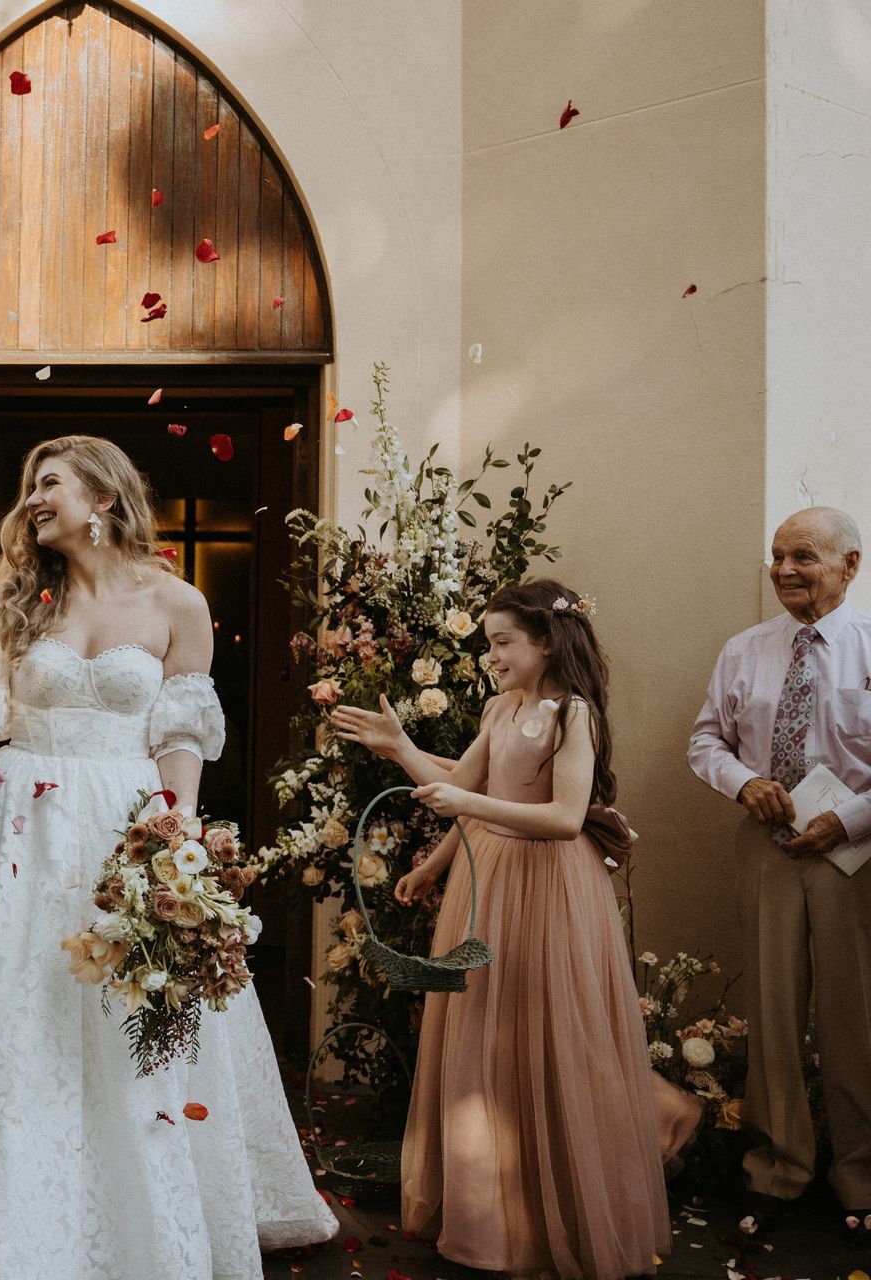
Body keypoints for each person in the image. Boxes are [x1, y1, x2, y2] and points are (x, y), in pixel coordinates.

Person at [0, 435, 336, 1278]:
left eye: (49, 484)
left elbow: (182, 729)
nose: (32, 499)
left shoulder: (176, 605)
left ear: (105, 500)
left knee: (128, 1019)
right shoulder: (19, 601)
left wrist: (179, 835)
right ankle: (11, 1219)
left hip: (123, 826)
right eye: (29, 486)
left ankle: (137, 1220)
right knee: (23, 1017)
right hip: (19, 833)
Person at [333, 580, 694, 1279]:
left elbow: (563, 816)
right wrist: (402, 752)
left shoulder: (573, 714)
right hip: (488, 875)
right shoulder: (502, 707)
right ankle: (501, 1212)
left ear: (547, 642)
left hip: (549, 886)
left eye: (502, 642)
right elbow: (463, 787)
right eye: (488, 642)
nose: (490, 655)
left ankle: (637, 1132)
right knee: (491, 1044)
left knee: (552, 1033)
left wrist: (467, 800)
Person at [687, 506, 871, 1240]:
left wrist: (850, 819)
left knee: (854, 1016)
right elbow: (706, 739)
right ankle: (779, 1169)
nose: (785, 570)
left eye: (804, 556)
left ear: (850, 565)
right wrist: (741, 783)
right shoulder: (745, 650)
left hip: (852, 856)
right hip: (766, 847)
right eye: (776, 556)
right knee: (772, 1012)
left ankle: (860, 1175)